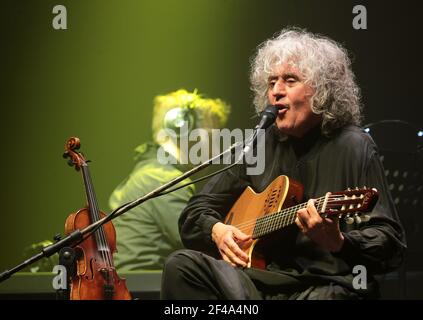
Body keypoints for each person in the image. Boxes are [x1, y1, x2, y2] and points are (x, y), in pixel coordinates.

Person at [160, 28, 406, 299]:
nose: (276, 91)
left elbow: (390, 243)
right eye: (271, 82)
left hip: (325, 283)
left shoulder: (354, 146)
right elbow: (195, 211)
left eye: (290, 80)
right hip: (259, 281)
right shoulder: (260, 145)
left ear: (322, 90)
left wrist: (339, 242)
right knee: (181, 266)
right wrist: (217, 231)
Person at [109, 89, 230, 271]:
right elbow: (200, 242)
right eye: (211, 136)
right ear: (182, 129)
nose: (215, 149)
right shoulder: (161, 180)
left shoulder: (147, 173)